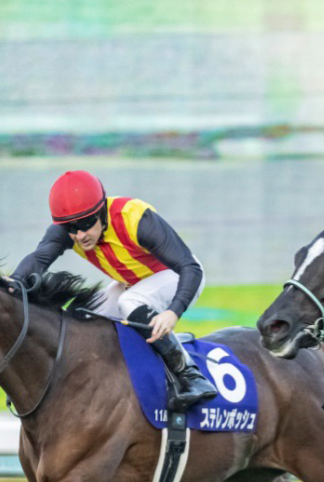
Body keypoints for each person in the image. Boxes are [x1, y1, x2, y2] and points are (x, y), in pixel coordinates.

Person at [12, 170, 216, 410]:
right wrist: (13, 282)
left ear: (101, 211)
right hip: (135, 283)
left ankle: (191, 376)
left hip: (179, 276)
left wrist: (173, 312)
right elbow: (39, 259)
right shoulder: (68, 232)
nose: (80, 235)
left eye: (86, 224)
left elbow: (190, 268)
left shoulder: (136, 219)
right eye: (71, 228)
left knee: (129, 302)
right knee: (80, 315)